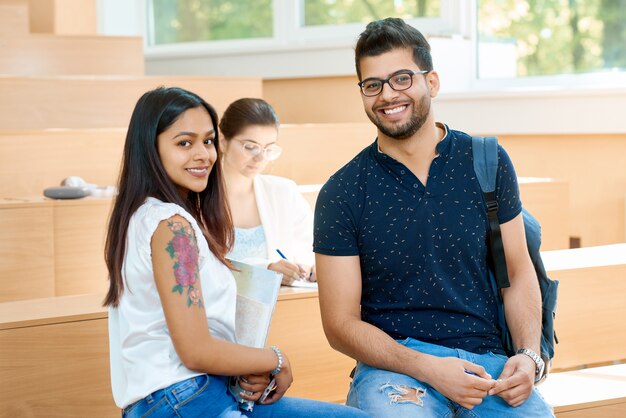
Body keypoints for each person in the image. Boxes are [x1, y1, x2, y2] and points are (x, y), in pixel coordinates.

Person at [313, 18, 554, 418]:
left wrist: (528, 356)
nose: (387, 95)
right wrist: (429, 368)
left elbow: (518, 270)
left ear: (432, 82)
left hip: (489, 364)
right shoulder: (342, 192)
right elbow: (339, 324)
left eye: (402, 78)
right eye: (372, 84)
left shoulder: (488, 161)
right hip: (396, 370)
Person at [103, 86, 369, 418]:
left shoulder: (149, 215)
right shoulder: (171, 226)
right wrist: (276, 359)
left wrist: (247, 364)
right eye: (184, 143)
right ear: (150, 149)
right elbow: (196, 351)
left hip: (197, 391)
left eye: (208, 140)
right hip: (183, 397)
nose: (203, 154)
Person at [220, 98, 316, 286]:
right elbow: (201, 267)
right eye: (250, 146)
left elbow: (309, 249)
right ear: (223, 142)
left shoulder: (284, 192)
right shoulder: (199, 196)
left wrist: (310, 267)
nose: (260, 157)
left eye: (268, 148)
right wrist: (266, 269)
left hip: (281, 305)